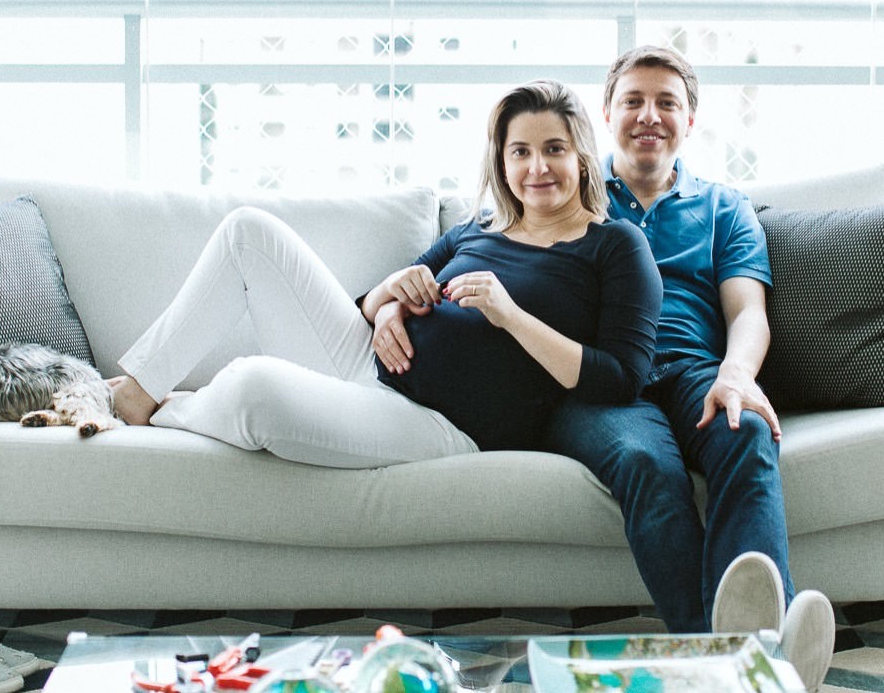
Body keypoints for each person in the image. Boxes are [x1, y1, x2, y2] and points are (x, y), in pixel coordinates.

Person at [107, 80, 662, 472]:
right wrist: (387, 299)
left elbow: (621, 378)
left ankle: (169, 410)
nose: (537, 167)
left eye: (554, 149)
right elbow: (368, 304)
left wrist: (511, 316)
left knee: (255, 387)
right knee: (248, 230)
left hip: (438, 423)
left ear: (581, 157)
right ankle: (138, 392)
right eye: (521, 152)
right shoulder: (477, 229)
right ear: (502, 161)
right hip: (361, 362)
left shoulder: (614, 245)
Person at [540, 46, 836, 690]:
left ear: (690, 120)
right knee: (645, 463)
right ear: (607, 115)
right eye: (634, 101)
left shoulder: (725, 207)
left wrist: (737, 375)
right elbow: (480, 246)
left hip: (695, 370)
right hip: (604, 381)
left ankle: (736, 660)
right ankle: (749, 665)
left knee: (746, 429)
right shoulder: (567, 193)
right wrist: (391, 293)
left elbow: (748, 311)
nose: (649, 115)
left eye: (666, 103)